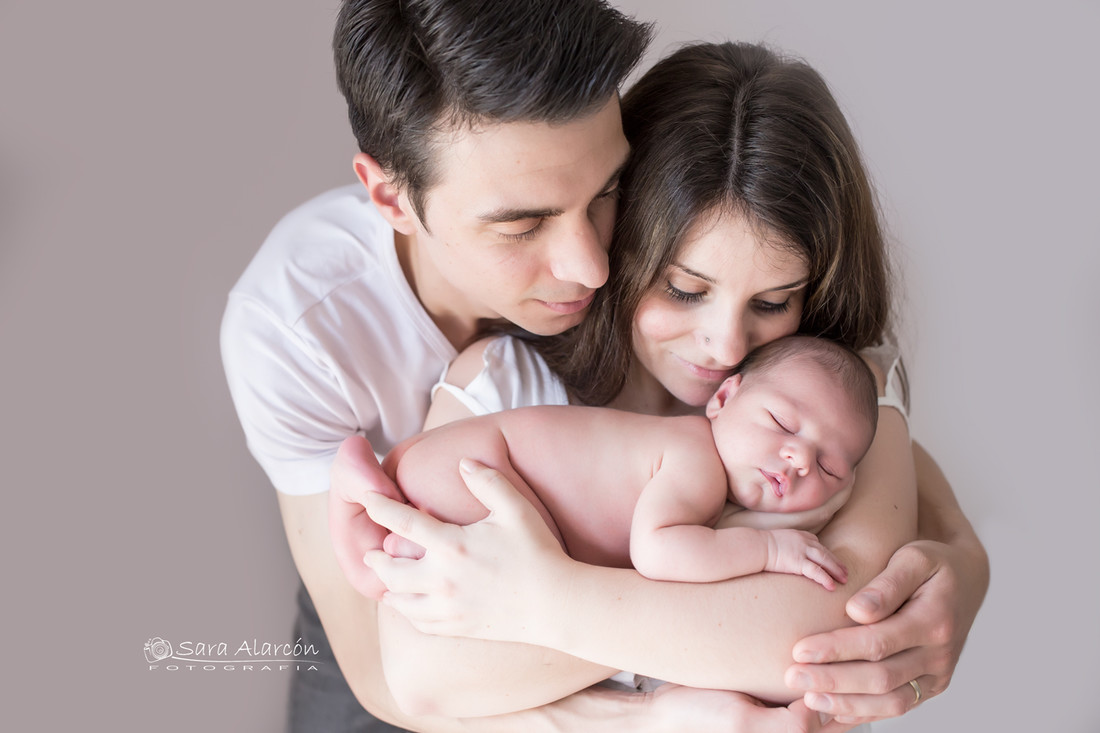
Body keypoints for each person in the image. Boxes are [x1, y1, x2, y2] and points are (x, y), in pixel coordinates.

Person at [336, 41, 988, 729]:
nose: (726, 345)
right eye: (684, 288)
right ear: (620, 237)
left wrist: (543, 597)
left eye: (772, 303)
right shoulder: (501, 386)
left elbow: (821, 634)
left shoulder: (836, 400)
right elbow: (423, 677)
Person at [221, 1, 658, 731]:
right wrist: (666, 707)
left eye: (606, 191)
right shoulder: (294, 326)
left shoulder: (668, 202)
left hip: (635, 565)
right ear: (390, 196)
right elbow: (387, 679)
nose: (591, 265)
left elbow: (846, 382)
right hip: (390, 627)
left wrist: (923, 521)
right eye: (523, 223)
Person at [346, 335, 877, 604]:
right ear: (723, 397)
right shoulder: (696, 460)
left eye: (830, 467)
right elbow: (657, 551)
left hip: (442, 464)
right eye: (783, 423)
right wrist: (771, 548)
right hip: (473, 472)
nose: (801, 460)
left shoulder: (702, 467)